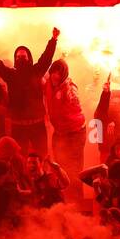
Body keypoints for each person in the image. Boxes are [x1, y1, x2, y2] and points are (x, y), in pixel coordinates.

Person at [0, 28, 58, 156]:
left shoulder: (36, 71)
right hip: (18, 126)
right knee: (19, 158)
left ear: (29, 58)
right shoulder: (11, 75)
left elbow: (46, 57)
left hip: (37, 124)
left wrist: (53, 39)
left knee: (42, 156)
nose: (20, 58)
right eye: (18, 57)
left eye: (23, 56)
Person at [45, 58, 87, 200]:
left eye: (59, 73)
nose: (55, 76)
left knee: (74, 169)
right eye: (53, 72)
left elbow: (74, 102)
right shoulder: (48, 84)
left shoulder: (70, 88)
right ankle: (63, 199)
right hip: (60, 132)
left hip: (75, 132)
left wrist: (67, 95)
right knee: (60, 166)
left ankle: (77, 201)